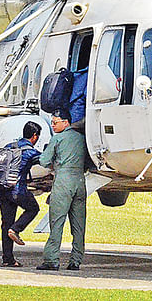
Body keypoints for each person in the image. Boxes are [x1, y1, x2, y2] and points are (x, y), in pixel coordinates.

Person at [37, 109, 88, 271]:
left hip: (63, 181)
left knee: (57, 222)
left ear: (66, 123)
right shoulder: (82, 139)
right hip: (80, 181)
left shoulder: (57, 139)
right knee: (79, 225)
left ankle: (52, 259)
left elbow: (44, 161)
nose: (52, 125)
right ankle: (76, 260)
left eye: (55, 122)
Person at [0, 121, 42, 267]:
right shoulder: (30, 151)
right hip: (17, 189)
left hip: (2, 188)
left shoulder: (10, 146)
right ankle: (16, 229)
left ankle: (7, 259)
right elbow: (44, 161)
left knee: (6, 223)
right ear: (34, 136)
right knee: (33, 208)